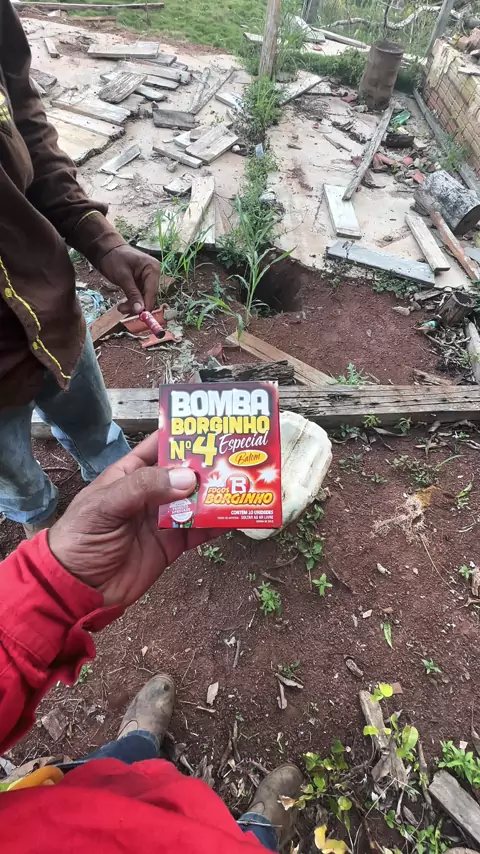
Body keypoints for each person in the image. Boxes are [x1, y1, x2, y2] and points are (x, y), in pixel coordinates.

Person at [0, 432, 303, 852]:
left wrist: (51, 586)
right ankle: (261, 830)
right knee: (248, 843)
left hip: (56, 804)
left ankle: (133, 747)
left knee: (112, 769)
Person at [0, 0, 161, 538]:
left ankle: (106, 474)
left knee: (94, 423)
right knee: (16, 479)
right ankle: (39, 522)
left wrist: (99, 238)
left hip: (48, 305)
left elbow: (26, 126)